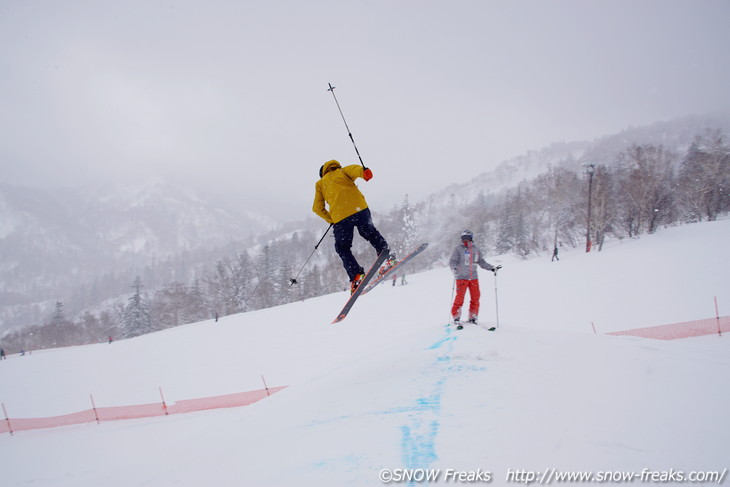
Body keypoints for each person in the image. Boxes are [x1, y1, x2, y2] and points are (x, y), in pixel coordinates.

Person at [313, 159, 389, 293]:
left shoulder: (320, 184)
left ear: (322, 173)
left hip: (341, 218)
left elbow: (317, 208)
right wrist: (364, 173)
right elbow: (355, 169)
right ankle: (387, 258)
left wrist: (331, 219)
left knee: (342, 247)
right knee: (371, 233)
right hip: (360, 209)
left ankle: (357, 276)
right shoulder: (342, 171)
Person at [449, 230, 499, 325]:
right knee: (460, 298)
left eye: (467, 238)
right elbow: (453, 261)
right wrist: (454, 269)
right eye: (464, 238)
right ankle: (456, 316)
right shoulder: (458, 249)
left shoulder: (476, 250)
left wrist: (492, 268)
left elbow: (481, 262)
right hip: (461, 277)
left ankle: (473, 316)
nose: (465, 240)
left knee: (475, 298)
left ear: (471, 238)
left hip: (473, 278)